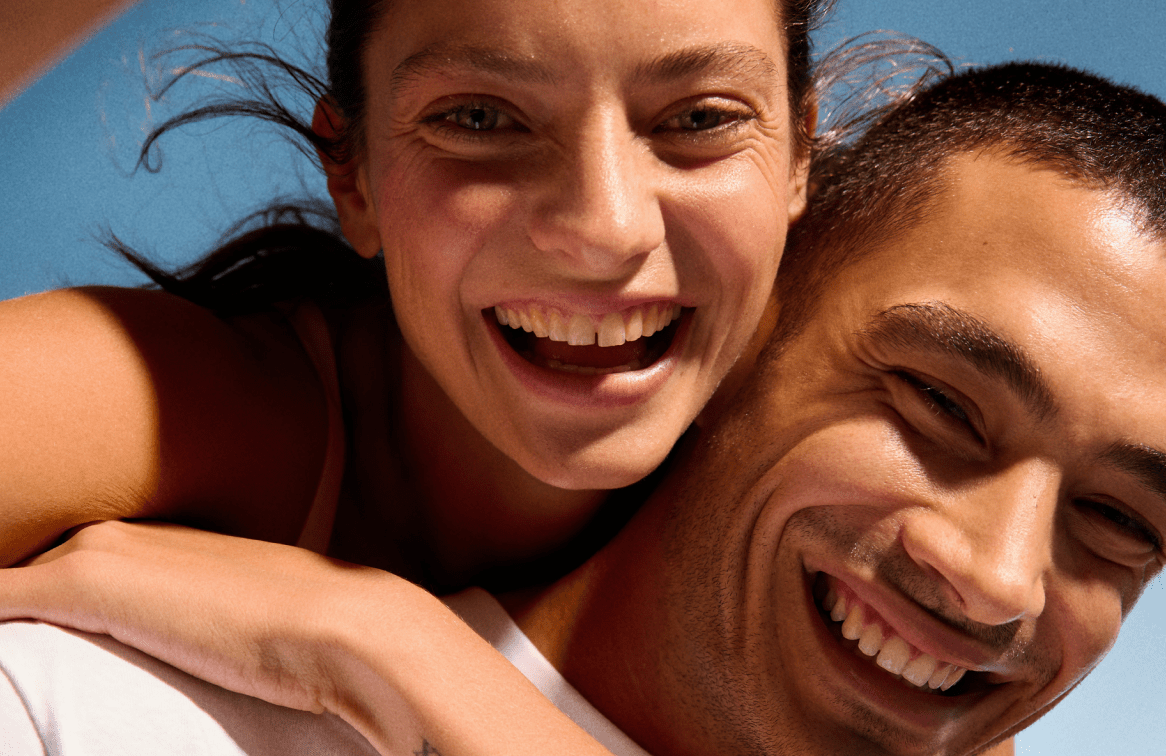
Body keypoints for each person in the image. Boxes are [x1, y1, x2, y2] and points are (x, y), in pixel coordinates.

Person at [6, 59, 1163, 754]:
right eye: (936, 407)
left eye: (1119, 525)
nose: (1001, 578)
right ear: (742, 321)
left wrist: (397, 646)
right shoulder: (108, 712)